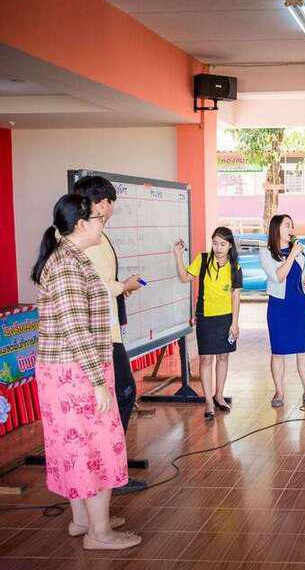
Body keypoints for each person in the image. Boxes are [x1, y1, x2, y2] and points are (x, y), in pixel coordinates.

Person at [31, 194, 140, 550]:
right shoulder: (66, 264)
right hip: (75, 374)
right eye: (99, 220)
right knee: (95, 447)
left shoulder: (70, 257)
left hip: (69, 371)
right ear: (80, 224)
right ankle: (99, 533)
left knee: (76, 447)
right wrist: (98, 383)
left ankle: (84, 520)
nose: (103, 226)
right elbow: (76, 329)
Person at [72, 175, 145, 495]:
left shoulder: (96, 234)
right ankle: (108, 472)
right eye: (107, 203)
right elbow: (93, 286)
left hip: (108, 328)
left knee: (123, 394)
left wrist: (120, 288)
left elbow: (101, 281)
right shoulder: (79, 239)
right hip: (97, 335)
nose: (108, 210)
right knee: (121, 395)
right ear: (98, 204)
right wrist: (121, 286)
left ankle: (111, 468)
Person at [173, 227, 242, 419]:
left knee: (223, 357)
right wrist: (178, 256)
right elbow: (185, 277)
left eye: (222, 244)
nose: (218, 248)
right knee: (206, 359)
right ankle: (209, 402)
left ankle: (219, 395)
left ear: (230, 246)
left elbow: (236, 296)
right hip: (205, 317)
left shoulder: (235, 266)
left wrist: (234, 323)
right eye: (215, 243)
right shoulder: (203, 260)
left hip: (226, 318)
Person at [260, 215, 305, 406]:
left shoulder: (300, 252)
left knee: (303, 351)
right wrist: (292, 254)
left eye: (292, 225)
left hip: (299, 305)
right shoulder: (266, 253)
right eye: (287, 225)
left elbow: (304, 276)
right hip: (279, 307)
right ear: (276, 228)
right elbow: (278, 277)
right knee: (278, 351)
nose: (291, 229)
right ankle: (279, 392)